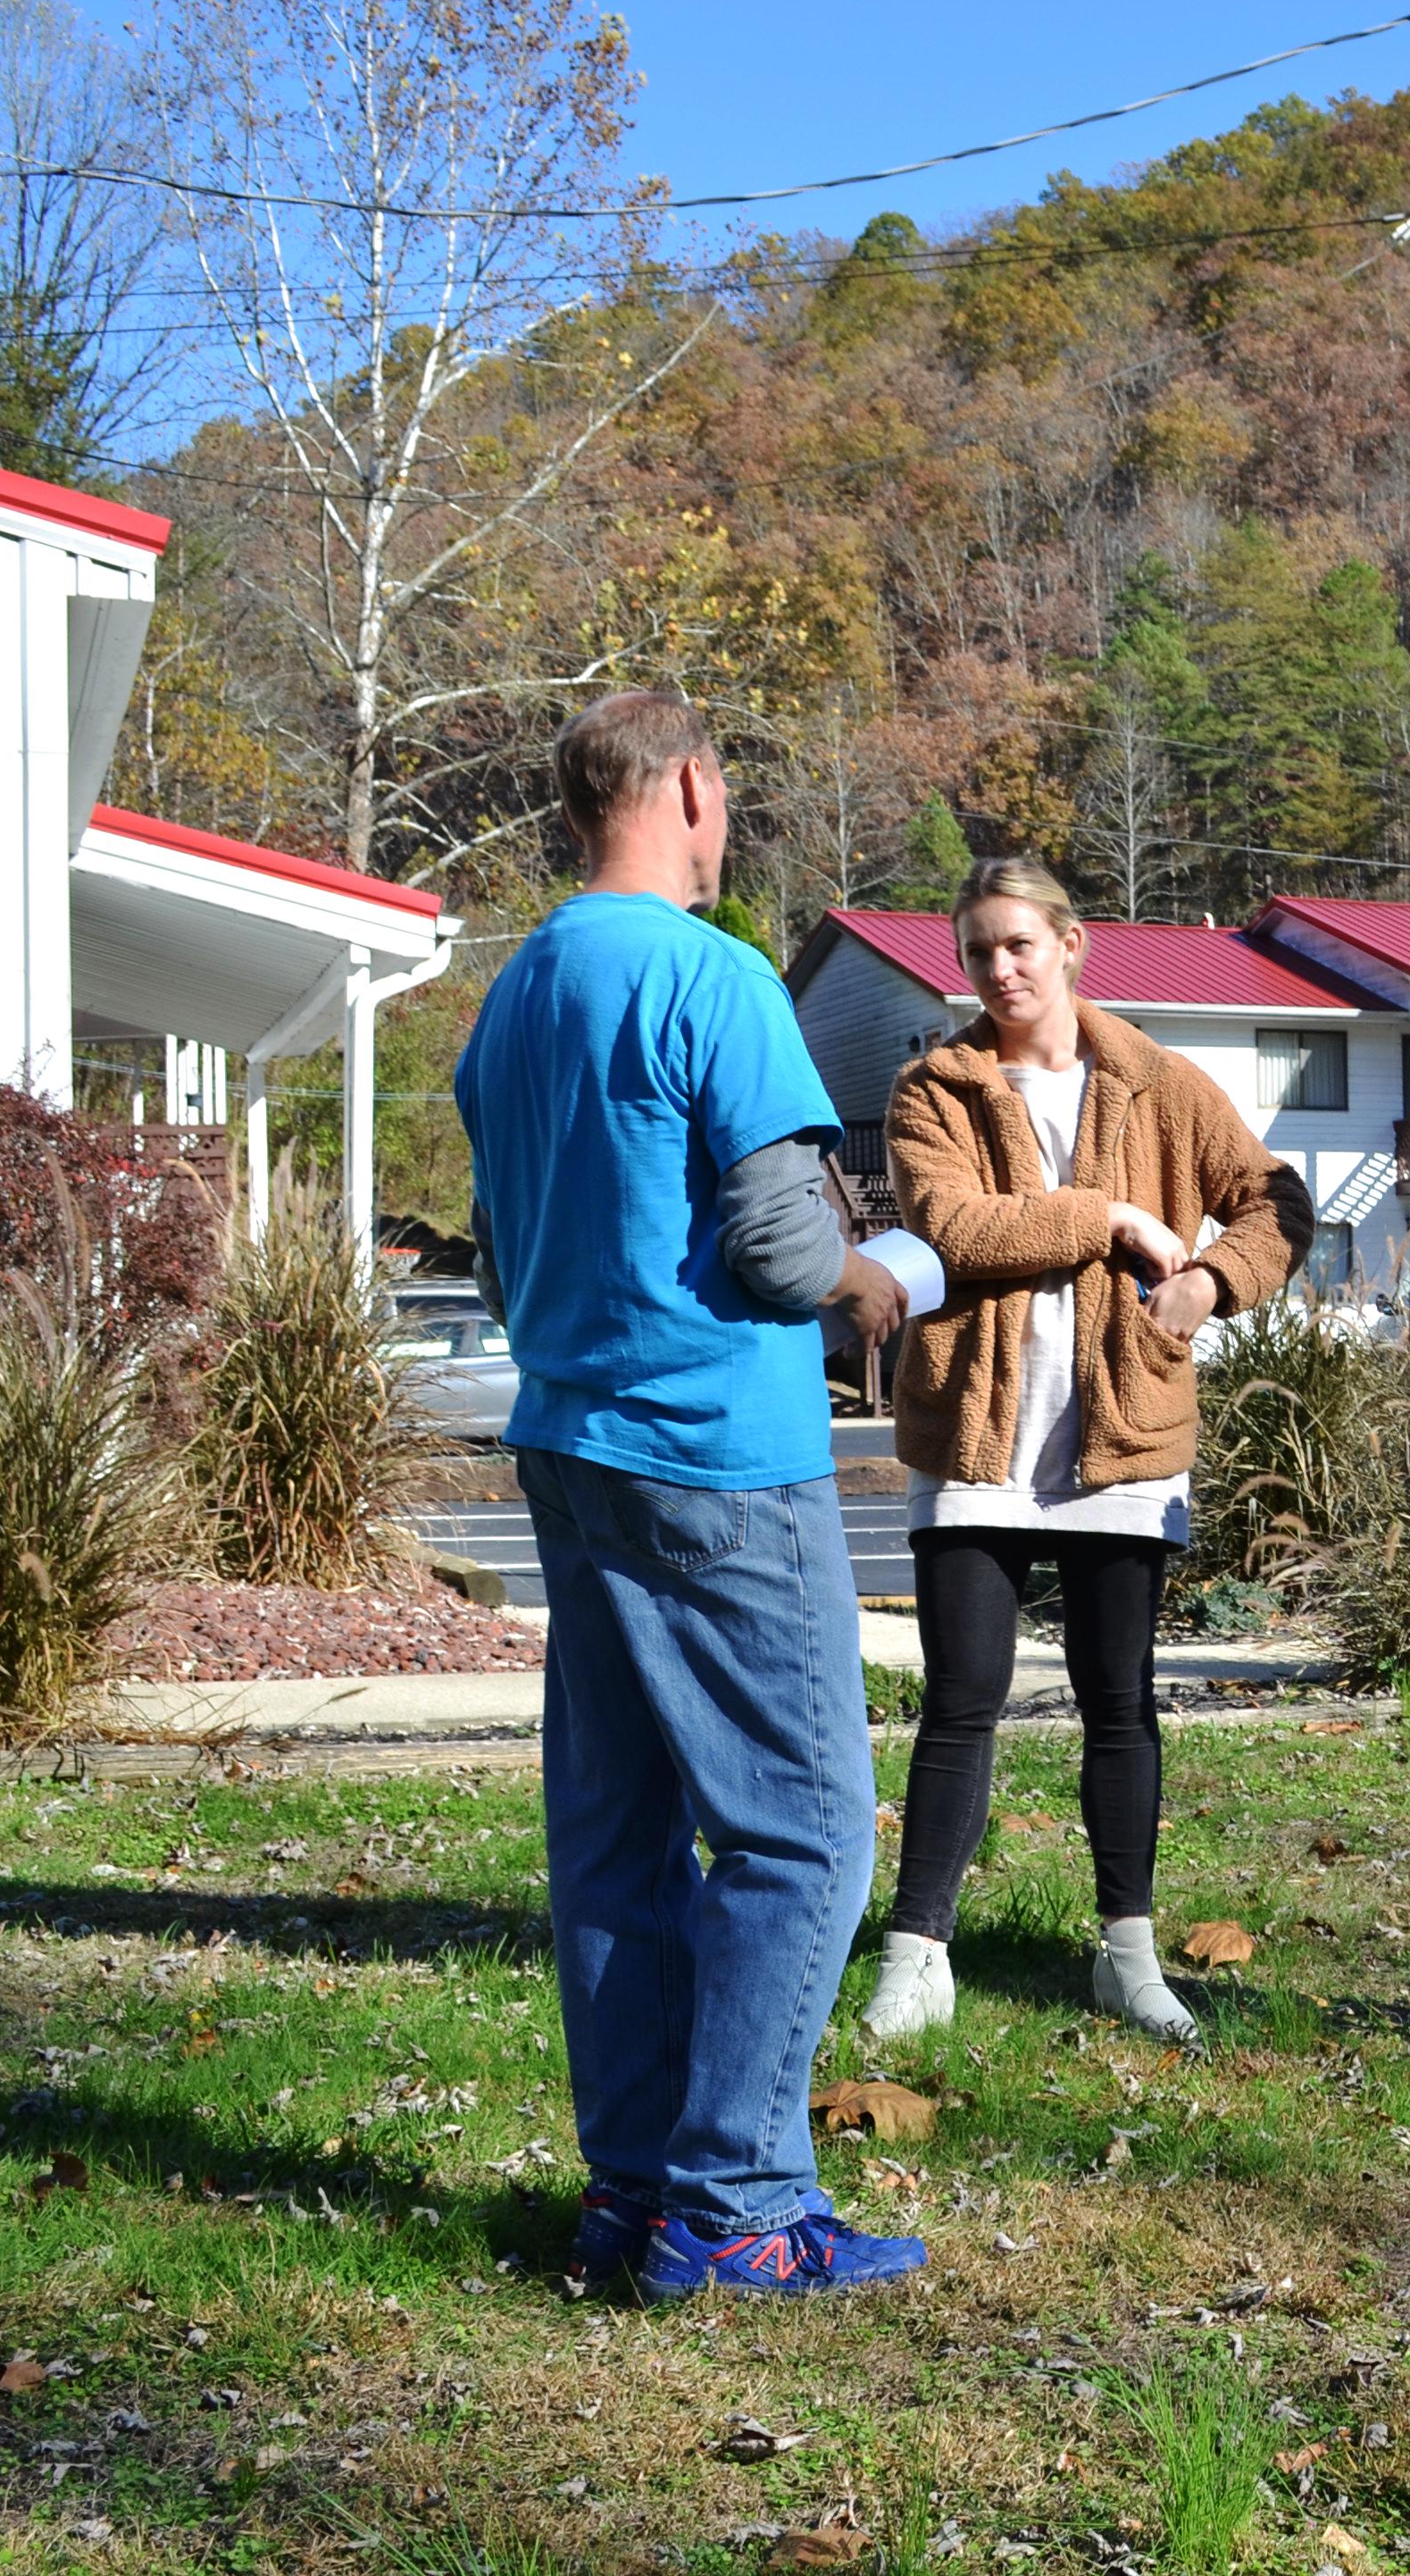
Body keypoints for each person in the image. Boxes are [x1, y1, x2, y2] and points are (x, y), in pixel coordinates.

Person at [455, 690, 923, 2300]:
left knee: (619, 1834)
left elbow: (505, 1250)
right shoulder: (715, 974)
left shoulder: (513, 998)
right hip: (720, 1456)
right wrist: (885, 1272)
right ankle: (738, 2209)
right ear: (695, 791)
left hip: (569, 1445)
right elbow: (790, 1254)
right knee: (803, 1833)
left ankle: (632, 2196)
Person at [865, 857, 1311, 2045]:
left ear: (1075, 947)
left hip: (1126, 1437)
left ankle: (1130, 1958)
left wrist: (1212, 1280)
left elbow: (1278, 1201)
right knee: (961, 1698)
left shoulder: (1160, 1082)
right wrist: (1112, 1220)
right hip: (978, 1436)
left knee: (1121, 1703)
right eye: (977, 951)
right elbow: (956, 1227)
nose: (999, 969)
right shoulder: (936, 1088)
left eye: (1019, 944)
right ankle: (917, 1958)